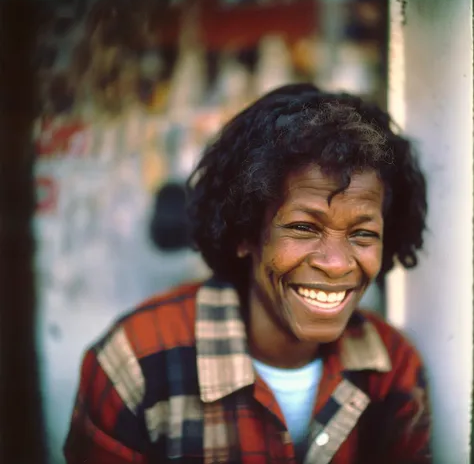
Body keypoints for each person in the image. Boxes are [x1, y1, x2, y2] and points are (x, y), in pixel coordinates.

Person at [64, 84, 431, 464]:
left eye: (363, 234)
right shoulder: (134, 364)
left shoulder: (394, 369)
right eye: (304, 228)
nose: (337, 263)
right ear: (245, 233)